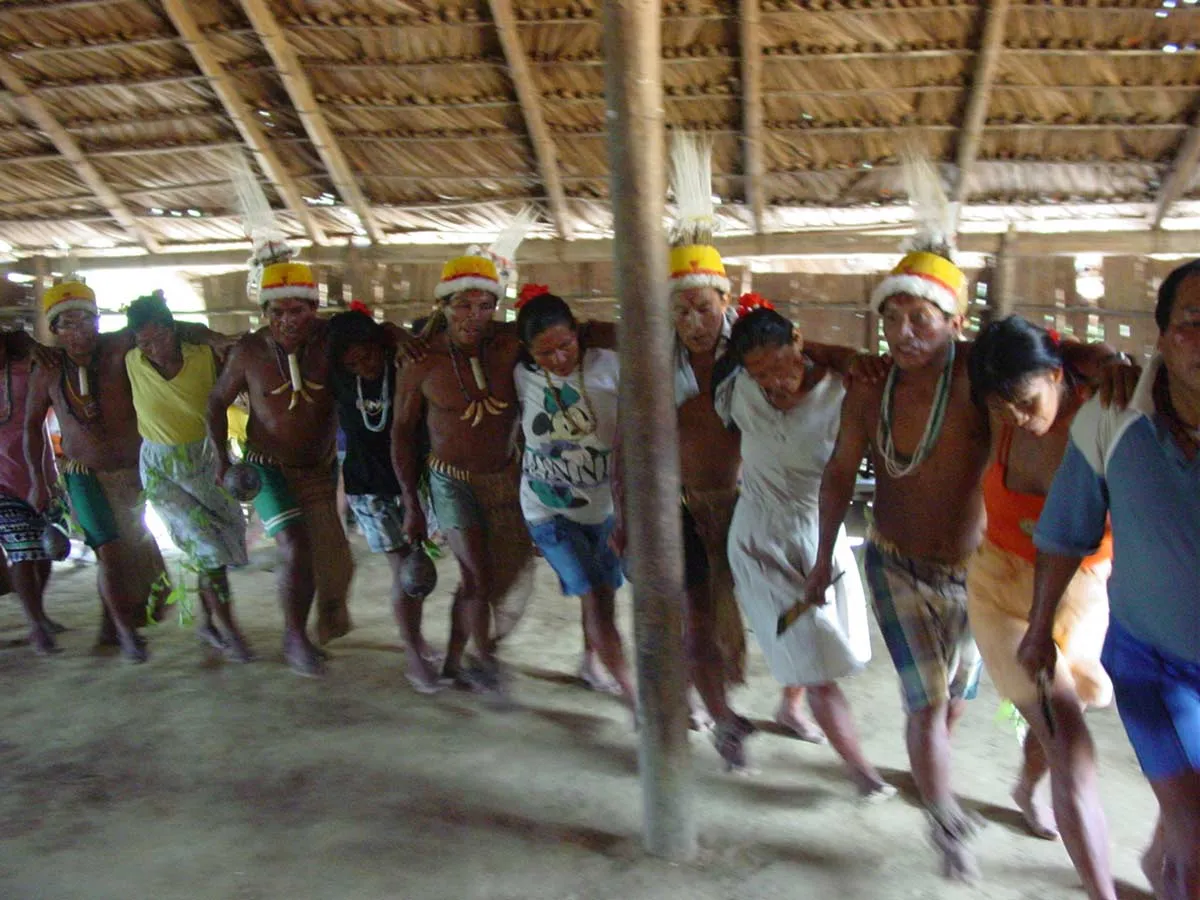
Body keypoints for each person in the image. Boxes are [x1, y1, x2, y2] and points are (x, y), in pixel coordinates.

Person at [627, 135, 861, 770]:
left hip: (752, 507)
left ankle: (792, 702)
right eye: (679, 309)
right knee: (698, 623)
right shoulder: (655, 363)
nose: (692, 319)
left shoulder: (757, 357)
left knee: (788, 616)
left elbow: (818, 362)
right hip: (682, 508)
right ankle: (725, 720)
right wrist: (630, 515)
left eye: (702, 305)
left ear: (724, 301)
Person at [1020, 259, 1200, 900]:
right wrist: (1039, 630)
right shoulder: (1115, 417)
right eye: (1191, 322)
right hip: (1157, 665)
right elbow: (1065, 532)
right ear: (1161, 338)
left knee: (1184, 833)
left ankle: (1162, 865)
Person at [967, 314, 1126, 900]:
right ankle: (1101, 891)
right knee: (1071, 742)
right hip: (1000, 593)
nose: (1014, 417)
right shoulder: (1002, 406)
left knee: (1057, 714)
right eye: (1002, 406)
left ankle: (1026, 790)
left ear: (1059, 375)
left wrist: (1098, 354)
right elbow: (946, 346)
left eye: (1027, 402)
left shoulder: (1110, 414)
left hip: (1080, 593)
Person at [715, 304, 891, 798]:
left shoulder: (842, 393)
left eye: (781, 364)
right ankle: (862, 771)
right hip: (756, 541)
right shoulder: (738, 388)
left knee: (814, 643)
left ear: (800, 344)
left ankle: (788, 708)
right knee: (813, 660)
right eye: (760, 372)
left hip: (819, 536)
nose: (773, 380)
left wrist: (836, 355)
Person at [24, 280, 228, 662]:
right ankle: (126, 633)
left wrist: (215, 337)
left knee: (163, 543)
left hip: (136, 470)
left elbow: (173, 327)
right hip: (83, 473)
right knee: (110, 552)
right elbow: (31, 426)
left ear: (98, 321)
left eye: (85, 320)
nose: (78, 330)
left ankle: (190, 622)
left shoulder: (121, 347)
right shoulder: (47, 371)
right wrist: (41, 481)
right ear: (54, 330)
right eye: (66, 323)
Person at [393, 243, 538, 698]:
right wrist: (411, 503)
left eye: (485, 305)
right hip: (450, 481)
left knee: (498, 576)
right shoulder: (422, 363)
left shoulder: (511, 345)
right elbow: (400, 432)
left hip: (505, 478)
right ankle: (485, 663)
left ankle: (457, 660)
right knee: (476, 575)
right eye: (463, 305)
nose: (474, 315)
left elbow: (575, 334)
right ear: (443, 306)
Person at [206, 250, 356, 676]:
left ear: (315, 309)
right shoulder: (250, 351)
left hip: (319, 469)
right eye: (278, 312)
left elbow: (378, 339)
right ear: (265, 312)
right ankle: (294, 637)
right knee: (295, 546)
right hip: (266, 467)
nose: (289, 320)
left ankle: (314, 625)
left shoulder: (332, 341)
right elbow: (217, 402)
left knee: (334, 561)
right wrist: (221, 459)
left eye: (298, 310)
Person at [513, 286, 634, 713]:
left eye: (566, 345)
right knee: (597, 595)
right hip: (546, 509)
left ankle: (590, 661)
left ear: (580, 333)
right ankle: (633, 694)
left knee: (604, 592)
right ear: (528, 352)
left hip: (603, 507)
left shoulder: (612, 367)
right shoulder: (521, 375)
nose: (560, 358)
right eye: (545, 353)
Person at [124, 292, 253, 662]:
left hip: (208, 459)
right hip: (161, 471)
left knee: (219, 545)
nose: (150, 348)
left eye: (157, 339)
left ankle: (208, 622)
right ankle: (228, 629)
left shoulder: (205, 357)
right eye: (142, 342)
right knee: (209, 551)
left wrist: (208, 336)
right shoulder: (132, 361)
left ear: (172, 330)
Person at [327, 305, 441, 692]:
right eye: (353, 364)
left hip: (413, 478)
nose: (363, 367)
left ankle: (417, 640)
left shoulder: (403, 363)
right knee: (405, 570)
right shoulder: (338, 377)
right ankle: (413, 651)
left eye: (367, 356)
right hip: (369, 487)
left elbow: (424, 329)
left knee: (416, 564)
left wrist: (393, 333)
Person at [0, 328, 65, 653]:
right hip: (1, 483)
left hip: (40, 473)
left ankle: (38, 612)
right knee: (22, 551)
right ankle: (36, 625)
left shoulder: (28, 368)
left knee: (45, 550)